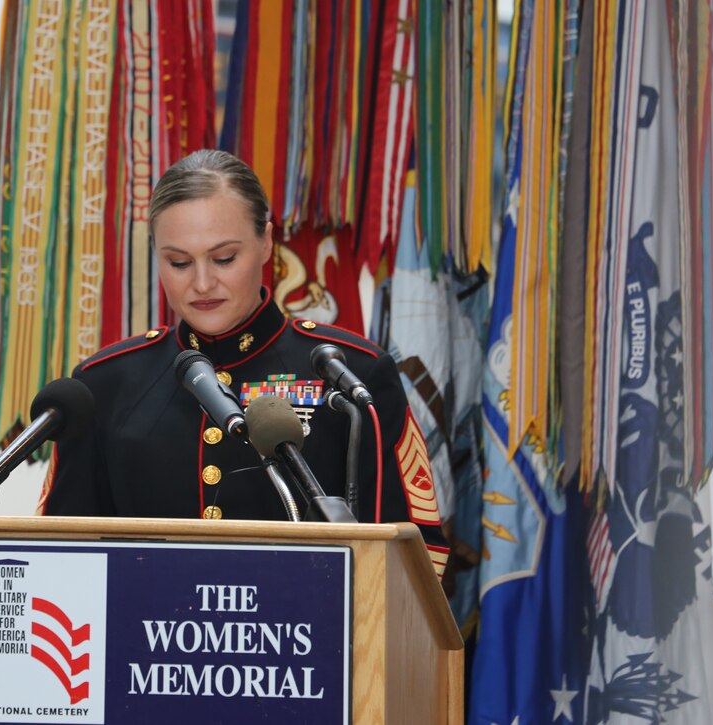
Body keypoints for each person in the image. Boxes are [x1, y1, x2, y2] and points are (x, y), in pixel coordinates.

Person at [39, 149, 448, 568]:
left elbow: (413, 556)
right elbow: (57, 552)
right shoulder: (104, 385)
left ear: (267, 241)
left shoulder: (349, 374)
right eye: (178, 262)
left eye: (224, 258)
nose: (202, 283)